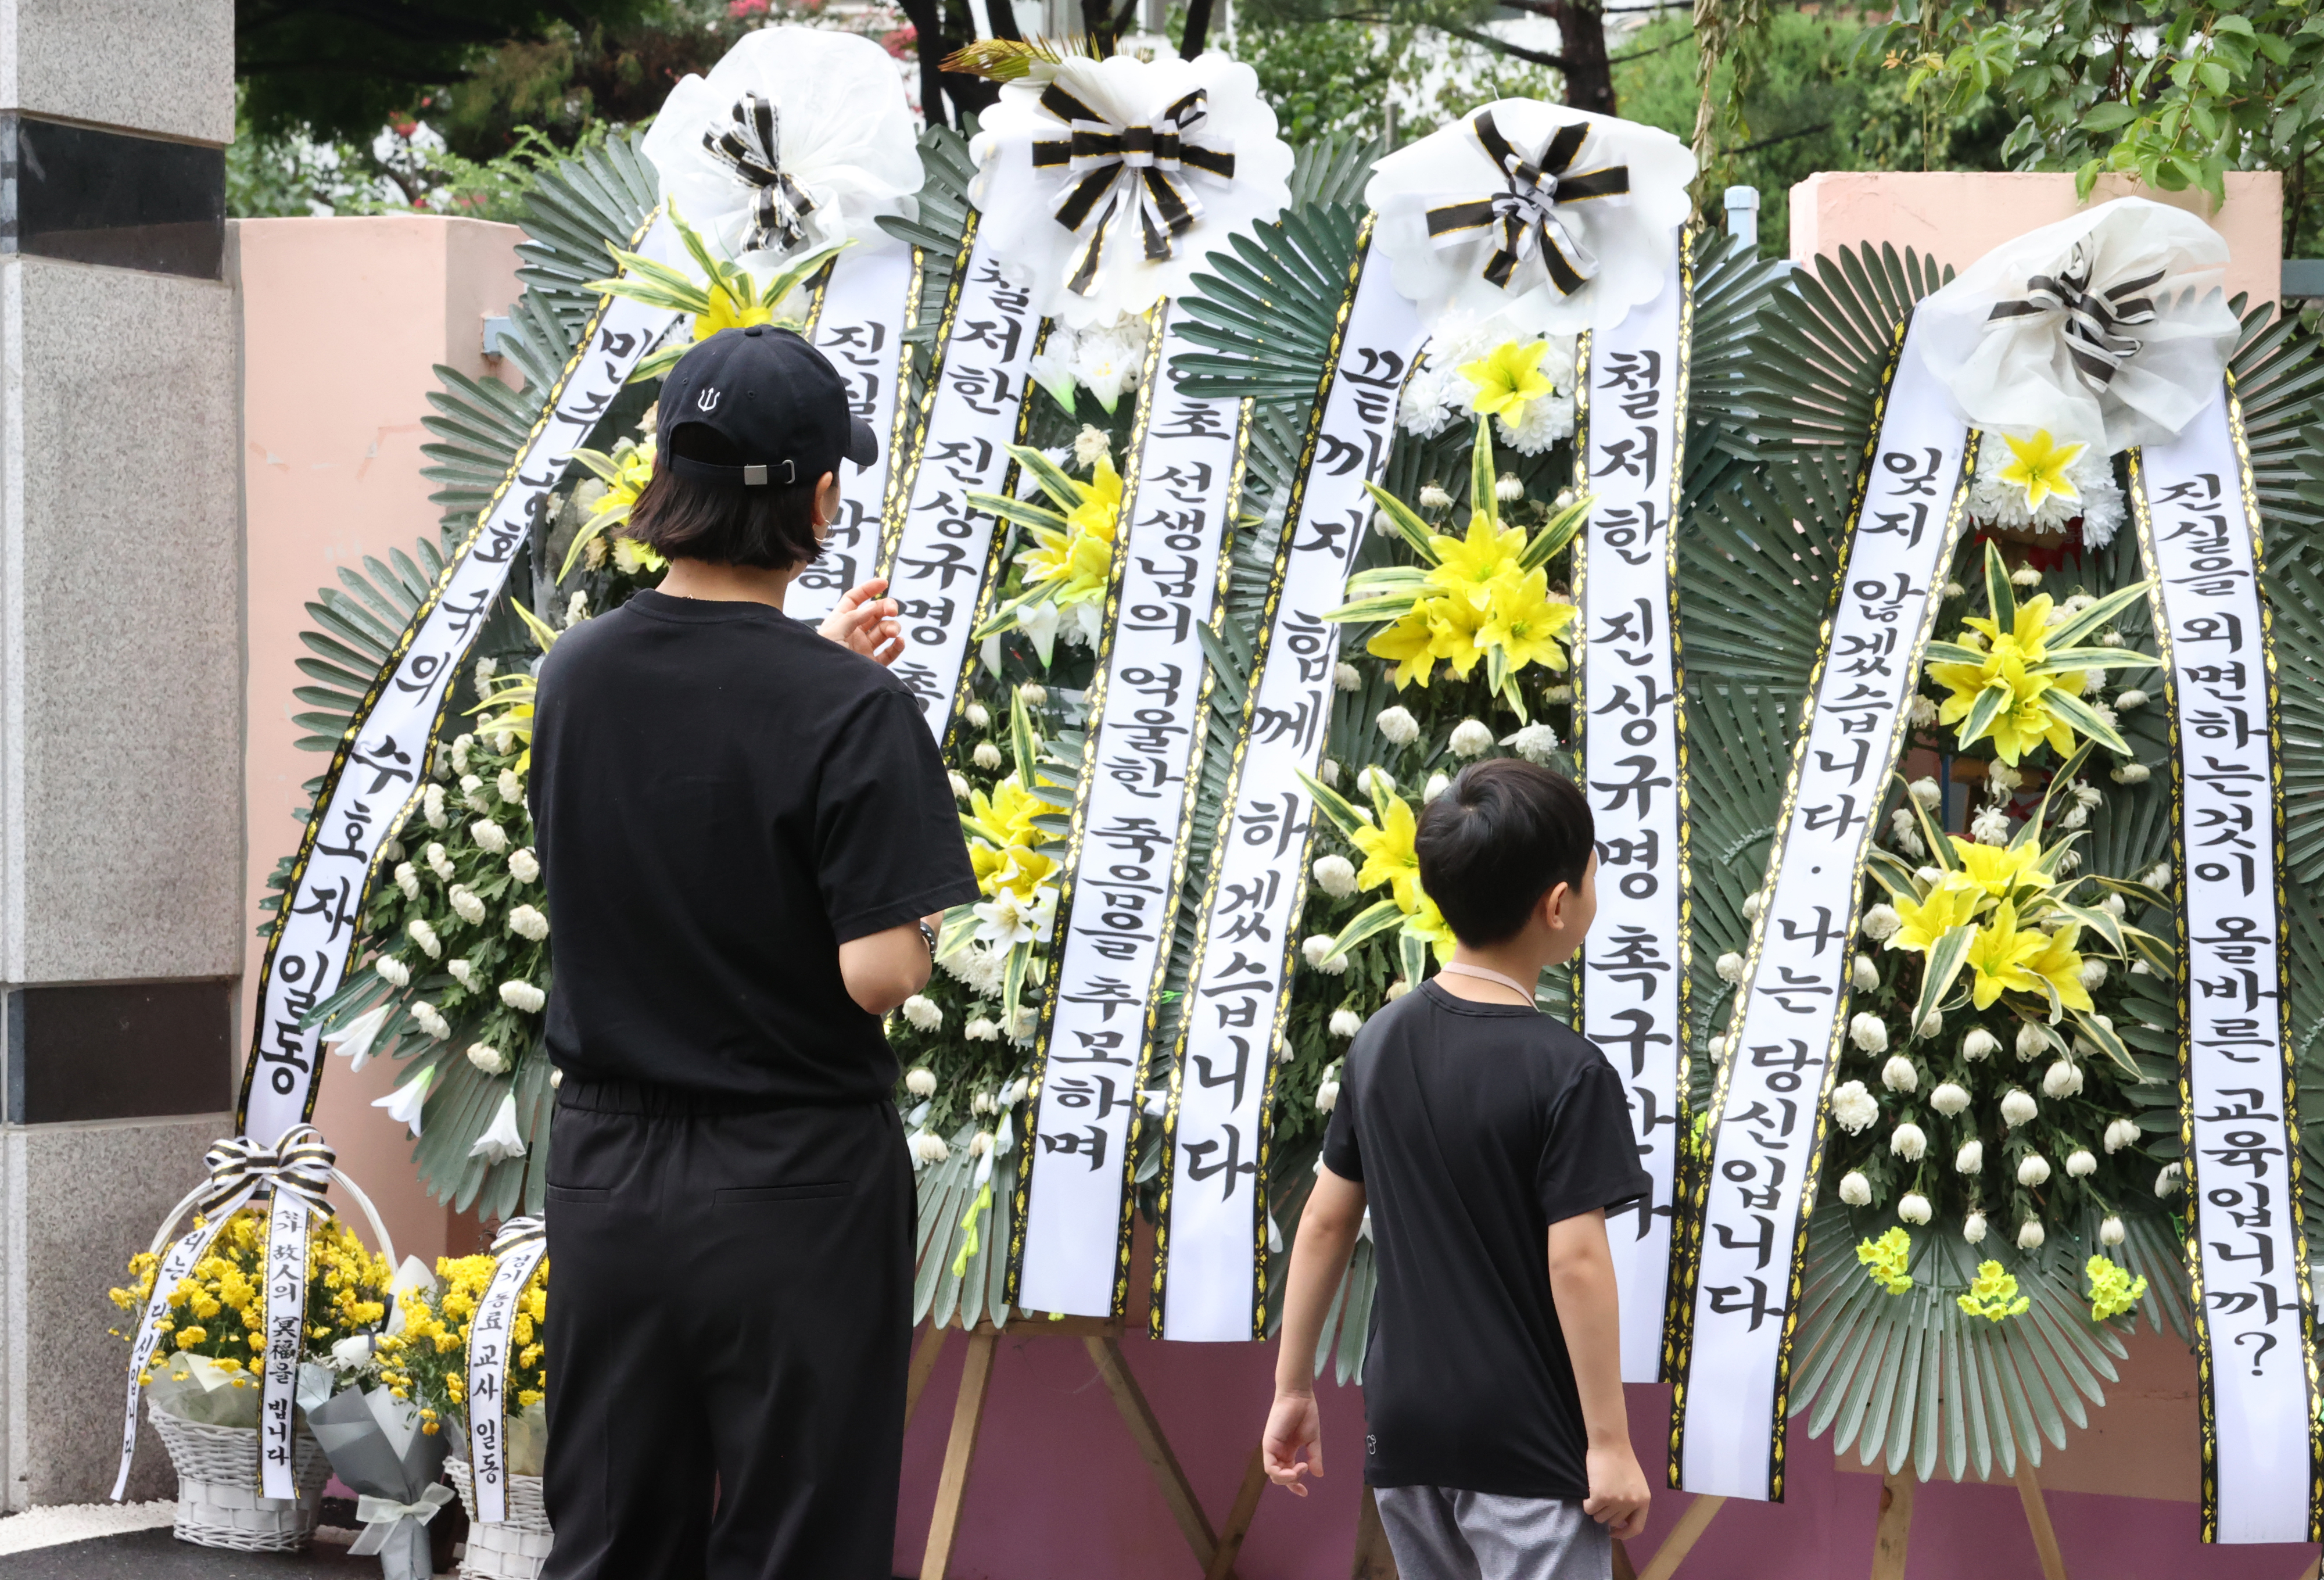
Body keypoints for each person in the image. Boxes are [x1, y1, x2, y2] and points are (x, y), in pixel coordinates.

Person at [528, 324, 980, 1580]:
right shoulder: (851, 710)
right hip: (791, 1183)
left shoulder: (575, 674)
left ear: (670, 476)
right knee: (796, 1543)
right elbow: (878, 974)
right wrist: (922, 908)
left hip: (608, 1170)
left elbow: (677, 789)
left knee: (613, 1537)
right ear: (821, 498)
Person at [1262, 758, 1653, 1580]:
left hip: (1406, 1432)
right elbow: (1576, 1262)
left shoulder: (1378, 1043)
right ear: (1558, 905)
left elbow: (1326, 1221)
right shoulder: (1569, 1072)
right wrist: (1610, 1444)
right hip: (1528, 1443)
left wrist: (1292, 1388)